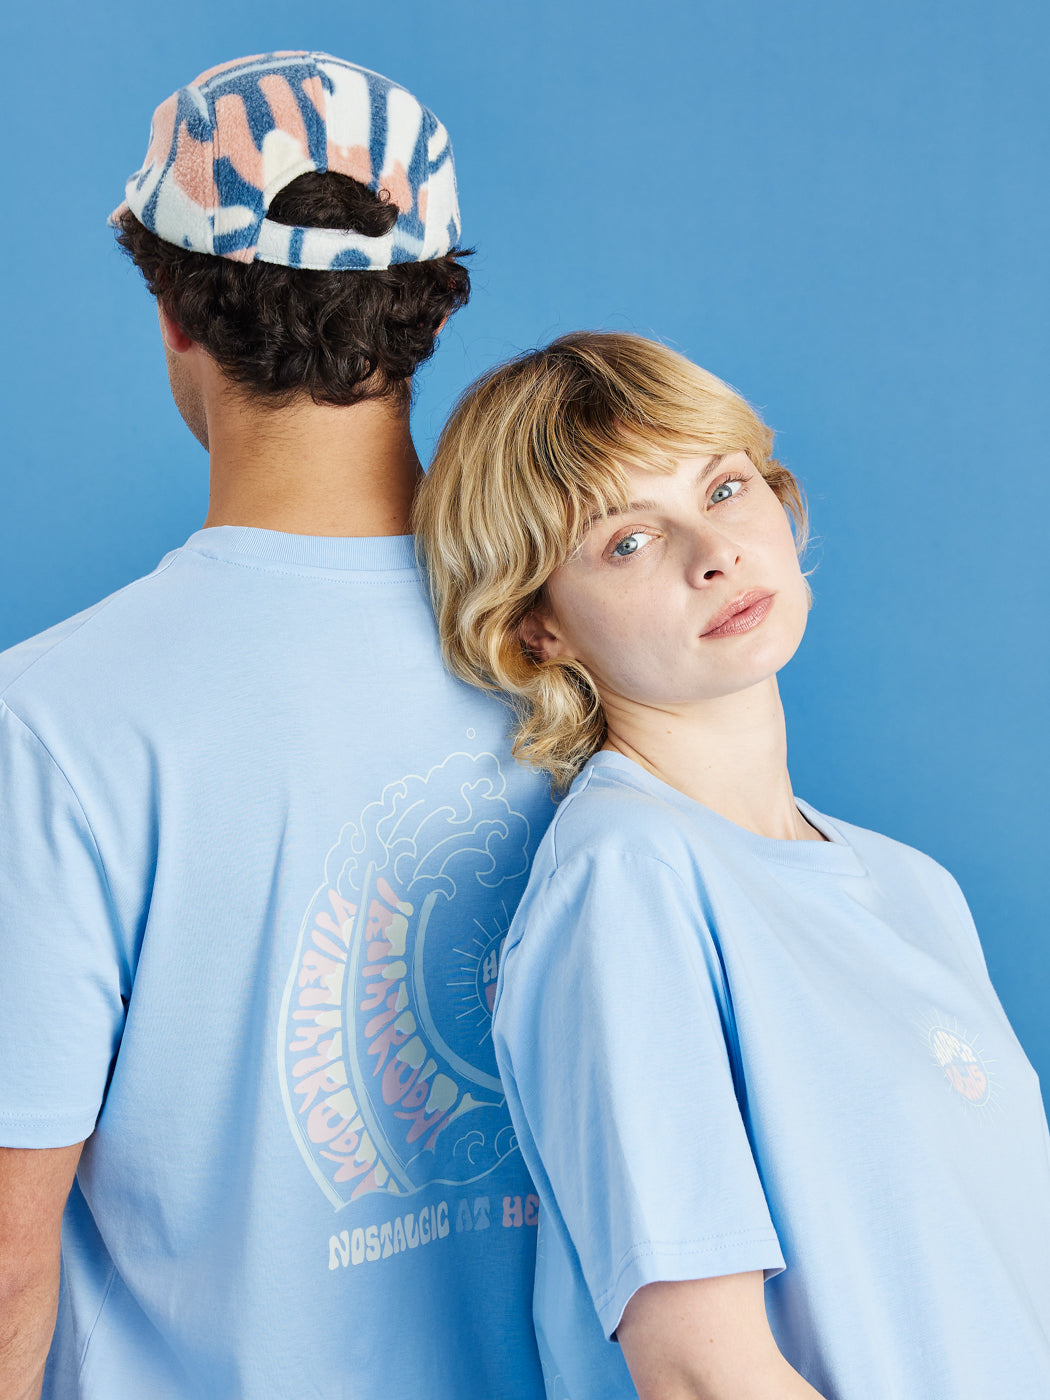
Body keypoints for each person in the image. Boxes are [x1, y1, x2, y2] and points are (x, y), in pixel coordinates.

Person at [0, 52, 553, 1400]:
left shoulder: (51, 719)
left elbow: (9, 1258)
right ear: (433, 305)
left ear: (173, 313)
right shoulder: (580, 644)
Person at [413, 331, 1050, 1400]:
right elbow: (704, 1375)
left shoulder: (915, 887)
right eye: (627, 540)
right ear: (535, 630)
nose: (713, 553)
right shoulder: (626, 880)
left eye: (724, 488)